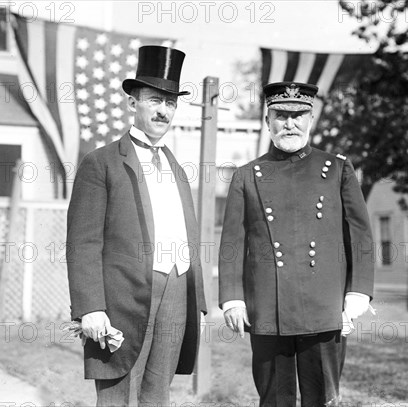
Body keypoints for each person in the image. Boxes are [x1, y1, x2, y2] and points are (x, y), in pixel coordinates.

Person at [218, 81, 375, 406]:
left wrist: (358, 291)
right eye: (280, 115)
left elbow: (360, 233)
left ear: (310, 119)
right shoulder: (248, 174)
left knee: (322, 398)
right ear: (267, 121)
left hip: (323, 307)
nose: (289, 123)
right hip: (268, 309)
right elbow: (233, 243)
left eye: (298, 115)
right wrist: (232, 299)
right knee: (274, 399)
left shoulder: (336, 168)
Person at [66, 45, 207, 406]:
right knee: (117, 396)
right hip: (123, 299)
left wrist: (198, 301)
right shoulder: (101, 163)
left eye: (171, 103)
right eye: (155, 100)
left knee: (157, 394)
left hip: (177, 289)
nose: (163, 110)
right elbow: (83, 242)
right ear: (132, 103)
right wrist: (90, 307)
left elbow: (187, 235)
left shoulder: (176, 166)